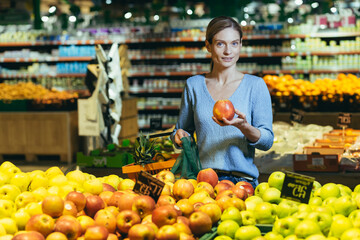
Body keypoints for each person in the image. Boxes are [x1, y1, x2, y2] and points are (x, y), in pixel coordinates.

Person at [171, 16, 274, 188]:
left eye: (234, 43)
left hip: (242, 183)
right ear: (208, 46)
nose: (228, 51)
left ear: (241, 45)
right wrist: (178, 136)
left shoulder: (255, 85)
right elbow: (180, 131)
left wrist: (244, 127)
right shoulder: (193, 85)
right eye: (220, 44)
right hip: (203, 182)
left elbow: (267, 141)